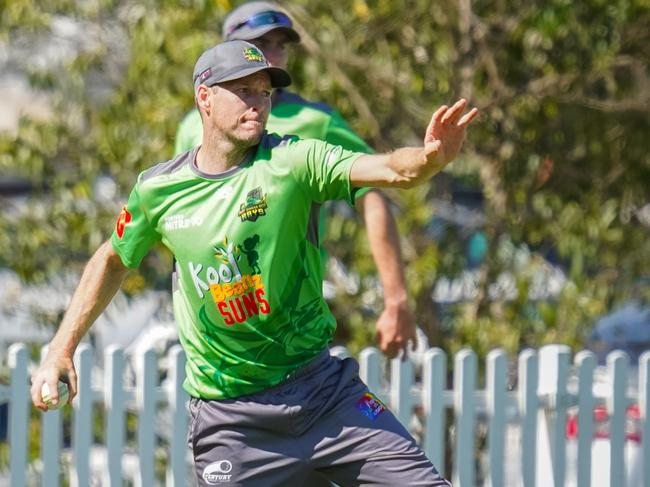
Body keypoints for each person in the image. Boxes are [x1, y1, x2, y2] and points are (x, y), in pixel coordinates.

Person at [31, 40, 477, 486]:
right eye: (242, 90)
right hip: (232, 425)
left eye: (263, 92)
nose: (257, 104)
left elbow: (390, 171)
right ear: (204, 97)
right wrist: (60, 349)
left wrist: (428, 159)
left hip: (325, 395)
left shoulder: (292, 160)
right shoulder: (158, 191)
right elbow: (112, 258)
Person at [175, 1, 416, 359]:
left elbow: (373, 193)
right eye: (261, 43)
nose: (272, 54)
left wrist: (395, 298)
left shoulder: (315, 121)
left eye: (280, 45)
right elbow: (176, 210)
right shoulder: (192, 127)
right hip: (218, 324)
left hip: (291, 321)